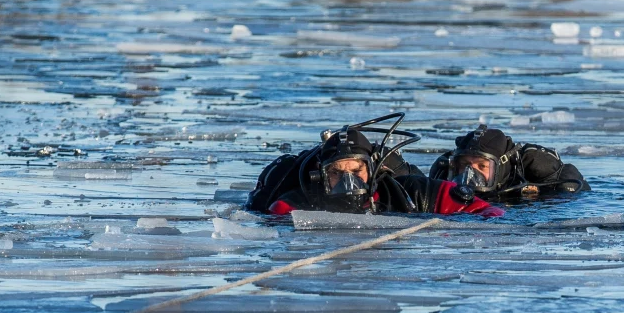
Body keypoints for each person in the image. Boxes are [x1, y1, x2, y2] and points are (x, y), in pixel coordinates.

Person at [246, 117, 503, 218]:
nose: (349, 181)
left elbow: (489, 210)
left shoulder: (412, 193)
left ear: (373, 171)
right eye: (337, 172)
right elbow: (275, 216)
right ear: (321, 176)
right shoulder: (296, 204)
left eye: (357, 171)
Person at [428, 126, 589, 200]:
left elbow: (579, 195)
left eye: (482, 166)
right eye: (465, 165)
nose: (470, 173)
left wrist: (542, 195)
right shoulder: (442, 173)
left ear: (501, 165)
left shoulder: (535, 166)